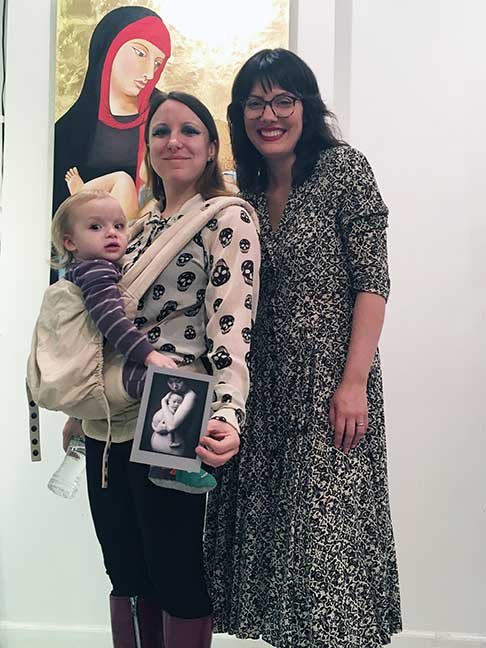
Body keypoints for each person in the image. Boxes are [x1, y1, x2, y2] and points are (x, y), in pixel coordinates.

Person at [204, 48, 402, 648]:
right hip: (260, 388)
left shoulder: (344, 170)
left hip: (329, 384)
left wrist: (354, 383)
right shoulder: (244, 190)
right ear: (239, 115)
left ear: (307, 107)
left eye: (282, 101)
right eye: (254, 104)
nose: (268, 115)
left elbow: (373, 282)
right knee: (275, 550)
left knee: (326, 546)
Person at [62, 90, 260, 648]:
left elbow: (232, 322)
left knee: (173, 565)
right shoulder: (140, 223)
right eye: (161, 131)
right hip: (110, 410)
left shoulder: (228, 216)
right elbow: (107, 321)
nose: (174, 141)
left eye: (189, 130)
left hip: (176, 399)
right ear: (147, 147)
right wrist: (79, 406)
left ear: (212, 147)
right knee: (124, 564)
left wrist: (228, 412)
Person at [53, 6, 171, 215]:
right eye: (140, 53)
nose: (149, 73)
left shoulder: (165, 115)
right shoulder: (68, 131)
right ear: (109, 48)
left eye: (157, 63)